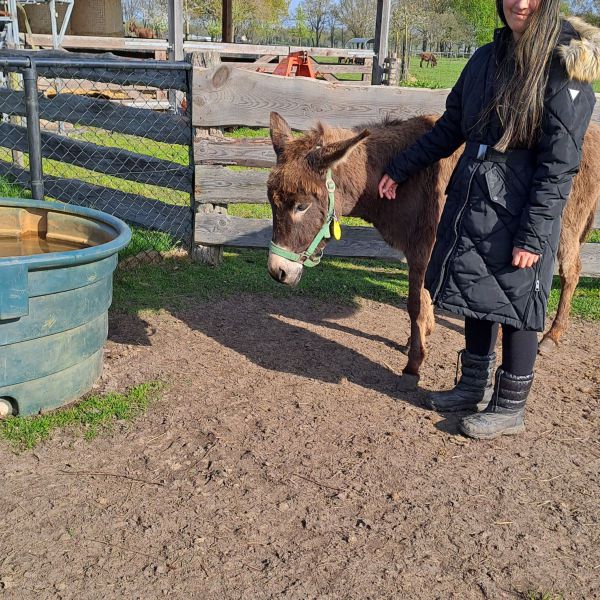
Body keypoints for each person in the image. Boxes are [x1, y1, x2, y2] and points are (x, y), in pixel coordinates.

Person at [378, 0, 597, 439]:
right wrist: (399, 168)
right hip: (477, 195)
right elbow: (449, 128)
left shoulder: (564, 70)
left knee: (518, 303)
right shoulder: (484, 59)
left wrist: (534, 234)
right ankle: (472, 387)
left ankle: (510, 406)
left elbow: (559, 164)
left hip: (526, 202)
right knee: (477, 291)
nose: (520, 3)